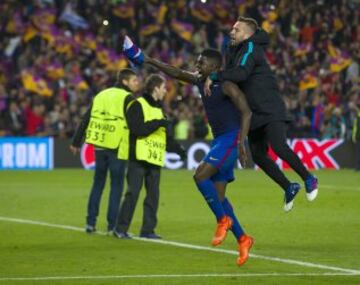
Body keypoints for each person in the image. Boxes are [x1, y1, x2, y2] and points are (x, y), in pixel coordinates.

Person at [123, 38, 254, 266]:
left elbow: (246, 112)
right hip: (219, 140)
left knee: (200, 175)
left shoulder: (226, 85)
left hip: (231, 138)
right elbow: (174, 72)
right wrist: (147, 59)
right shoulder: (200, 80)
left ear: (214, 67)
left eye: (202, 63)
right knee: (219, 197)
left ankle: (223, 220)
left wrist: (242, 143)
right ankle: (243, 238)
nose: (197, 64)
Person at [204, 16, 319, 212]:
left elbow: (241, 74)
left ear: (248, 34)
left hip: (270, 107)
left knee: (279, 147)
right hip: (254, 112)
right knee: (257, 155)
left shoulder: (251, 48)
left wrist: (214, 76)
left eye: (237, 29)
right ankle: (288, 186)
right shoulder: (233, 49)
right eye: (232, 28)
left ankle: (309, 178)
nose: (232, 32)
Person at [113, 74, 186, 240]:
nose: (165, 91)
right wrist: (158, 123)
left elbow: (165, 138)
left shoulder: (159, 110)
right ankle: (120, 228)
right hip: (137, 158)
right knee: (133, 193)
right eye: (163, 88)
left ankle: (148, 230)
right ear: (155, 89)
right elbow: (137, 129)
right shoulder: (137, 105)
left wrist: (179, 150)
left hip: (154, 158)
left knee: (153, 196)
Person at [70, 68, 139, 234]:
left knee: (98, 183)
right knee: (116, 186)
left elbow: (87, 117)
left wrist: (76, 141)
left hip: (99, 146)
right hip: (117, 146)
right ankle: (112, 226)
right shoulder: (128, 98)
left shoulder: (101, 94)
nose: (137, 83)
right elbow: (135, 124)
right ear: (125, 82)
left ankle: (90, 223)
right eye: (134, 80)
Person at [352, 105, 360, 171]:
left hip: (358, 137)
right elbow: (355, 128)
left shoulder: (357, 117)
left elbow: (355, 128)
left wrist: (354, 136)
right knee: (358, 153)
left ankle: (358, 167)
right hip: (358, 137)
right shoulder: (357, 117)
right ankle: (358, 167)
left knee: (358, 153)